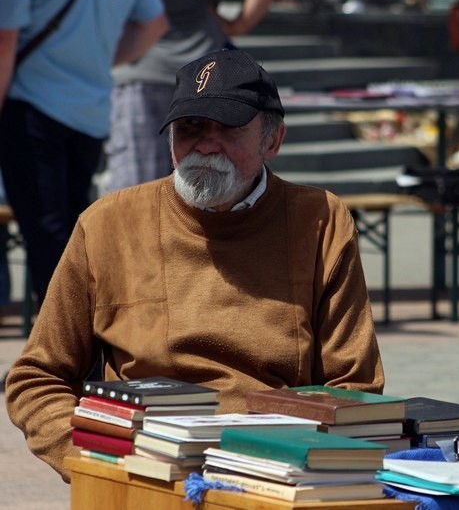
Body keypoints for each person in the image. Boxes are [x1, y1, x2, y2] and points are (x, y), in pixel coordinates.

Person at [5, 49, 385, 481]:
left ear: (273, 140)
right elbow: (36, 379)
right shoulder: (108, 225)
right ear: (169, 142)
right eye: (190, 128)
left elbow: (354, 387)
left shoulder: (319, 220)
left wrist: (295, 468)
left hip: (276, 470)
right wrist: (96, 460)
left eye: (228, 128)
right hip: (142, 471)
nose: (205, 144)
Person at [0, 0, 168, 305]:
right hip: (90, 111)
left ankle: (65, 334)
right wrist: (98, 60)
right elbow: (154, 24)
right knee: (73, 228)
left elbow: (5, 40)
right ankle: (84, 329)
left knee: (47, 233)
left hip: (32, 107)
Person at [102, 0, 289, 195]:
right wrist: (242, 22)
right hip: (205, 63)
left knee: (137, 197)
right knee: (215, 191)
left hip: (145, 60)